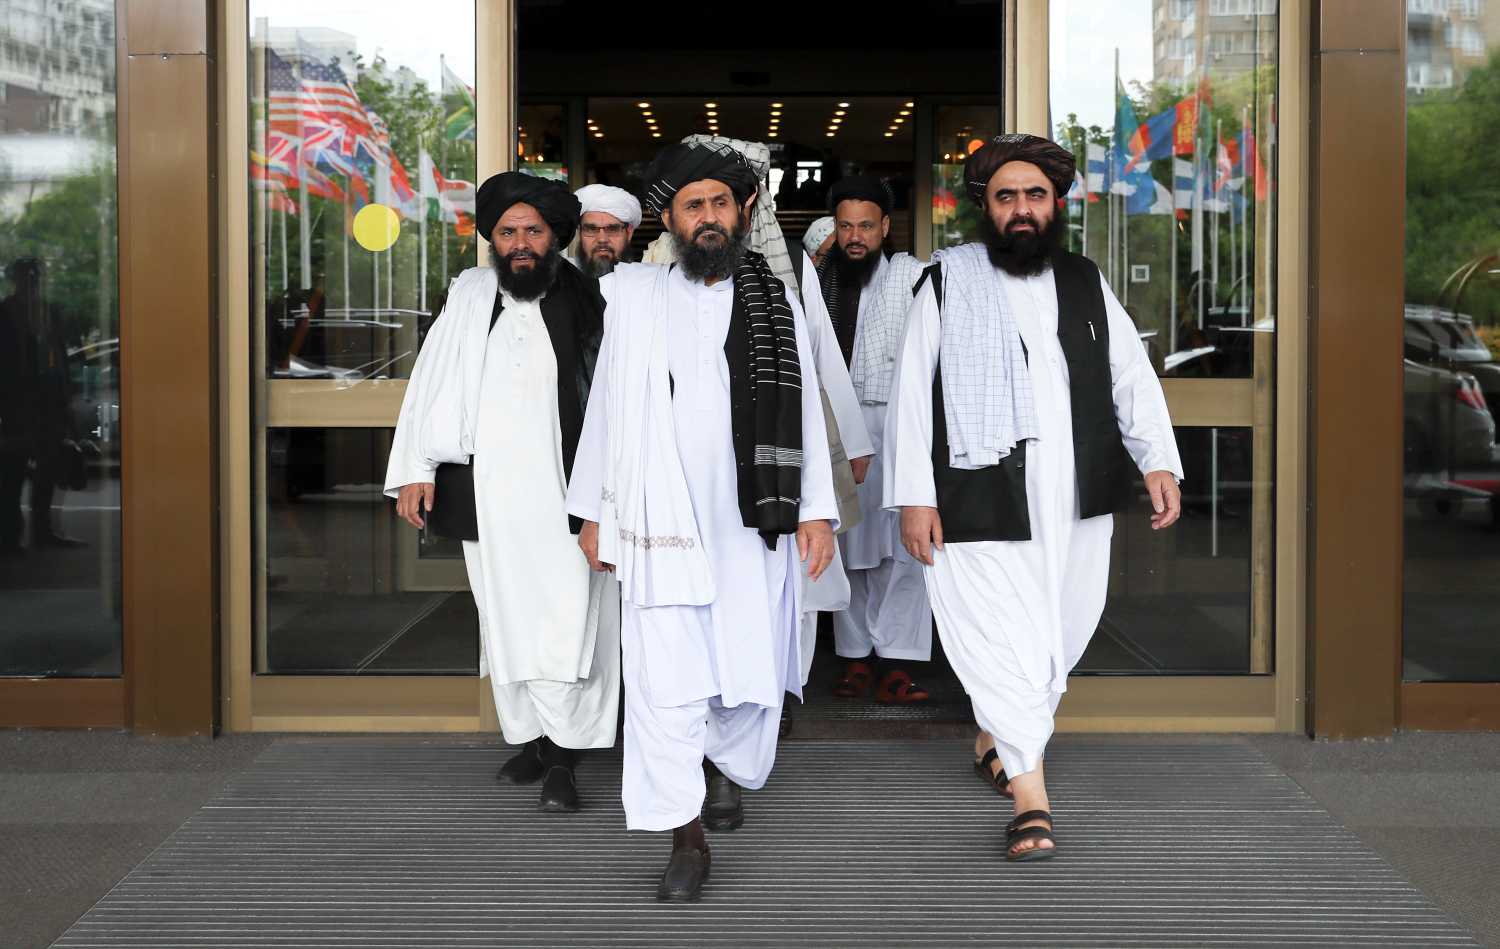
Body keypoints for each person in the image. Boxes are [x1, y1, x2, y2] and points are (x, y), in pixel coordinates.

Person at [884, 134, 1183, 861]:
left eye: (1035, 195)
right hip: (977, 489)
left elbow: (1130, 377)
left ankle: (996, 736)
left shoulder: (1084, 280)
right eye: (1006, 196)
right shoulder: (946, 281)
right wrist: (914, 496)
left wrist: (1157, 460)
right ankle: (1031, 798)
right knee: (996, 633)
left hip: (1073, 493)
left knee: (1058, 636)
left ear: (1057, 204)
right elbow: (911, 396)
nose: (1022, 208)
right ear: (984, 208)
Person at [566, 140, 838, 902]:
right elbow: (606, 408)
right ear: (672, 220)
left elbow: (804, 414)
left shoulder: (775, 300)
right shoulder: (635, 297)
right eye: (695, 205)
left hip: (751, 522)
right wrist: (592, 512)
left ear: (742, 213)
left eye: (721, 202)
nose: (709, 216)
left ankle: (720, 769)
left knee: (744, 672)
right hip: (658, 520)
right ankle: (685, 837)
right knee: (664, 681)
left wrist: (817, 510)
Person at [385, 171, 620, 813]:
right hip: (489, 493)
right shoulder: (471, 294)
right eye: (508, 231)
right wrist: (416, 468)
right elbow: (431, 381)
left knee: (568, 625)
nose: (520, 243)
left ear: (555, 236)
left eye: (533, 231)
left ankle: (567, 754)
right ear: (493, 238)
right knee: (505, 617)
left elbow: (614, 403)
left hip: (567, 496)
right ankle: (535, 740)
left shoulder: (592, 298)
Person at [817, 175, 932, 705]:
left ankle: (898, 660)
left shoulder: (913, 277)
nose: (855, 237)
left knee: (902, 547)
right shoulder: (820, 282)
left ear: (886, 227)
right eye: (845, 226)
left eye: (866, 225)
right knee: (847, 543)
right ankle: (855, 656)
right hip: (838, 426)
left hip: (900, 426)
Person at [574, 183, 641, 277]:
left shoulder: (647, 282)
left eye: (612, 229)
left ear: (629, 233)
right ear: (579, 233)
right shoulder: (561, 279)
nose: (602, 239)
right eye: (591, 229)